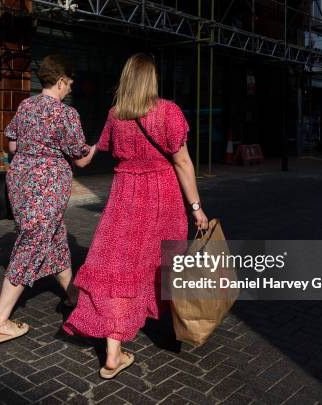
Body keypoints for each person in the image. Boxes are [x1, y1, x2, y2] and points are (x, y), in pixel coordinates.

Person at [63, 54, 209, 379]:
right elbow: (183, 163)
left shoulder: (116, 114)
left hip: (125, 195)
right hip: (163, 196)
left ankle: (112, 352)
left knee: (121, 265)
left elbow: (90, 155)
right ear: (151, 80)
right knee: (167, 260)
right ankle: (178, 323)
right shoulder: (168, 111)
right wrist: (196, 207)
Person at [0, 55, 97, 344]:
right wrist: (98, 146)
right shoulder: (66, 114)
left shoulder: (26, 105)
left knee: (55, 241)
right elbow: (82, 160)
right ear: (61, 80)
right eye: (69, 83)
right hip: (47, 188)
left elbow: (12, 143)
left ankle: (73, 295)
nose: (70, 88)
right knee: (32, 245)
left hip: (21, 183)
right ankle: (0, 320)